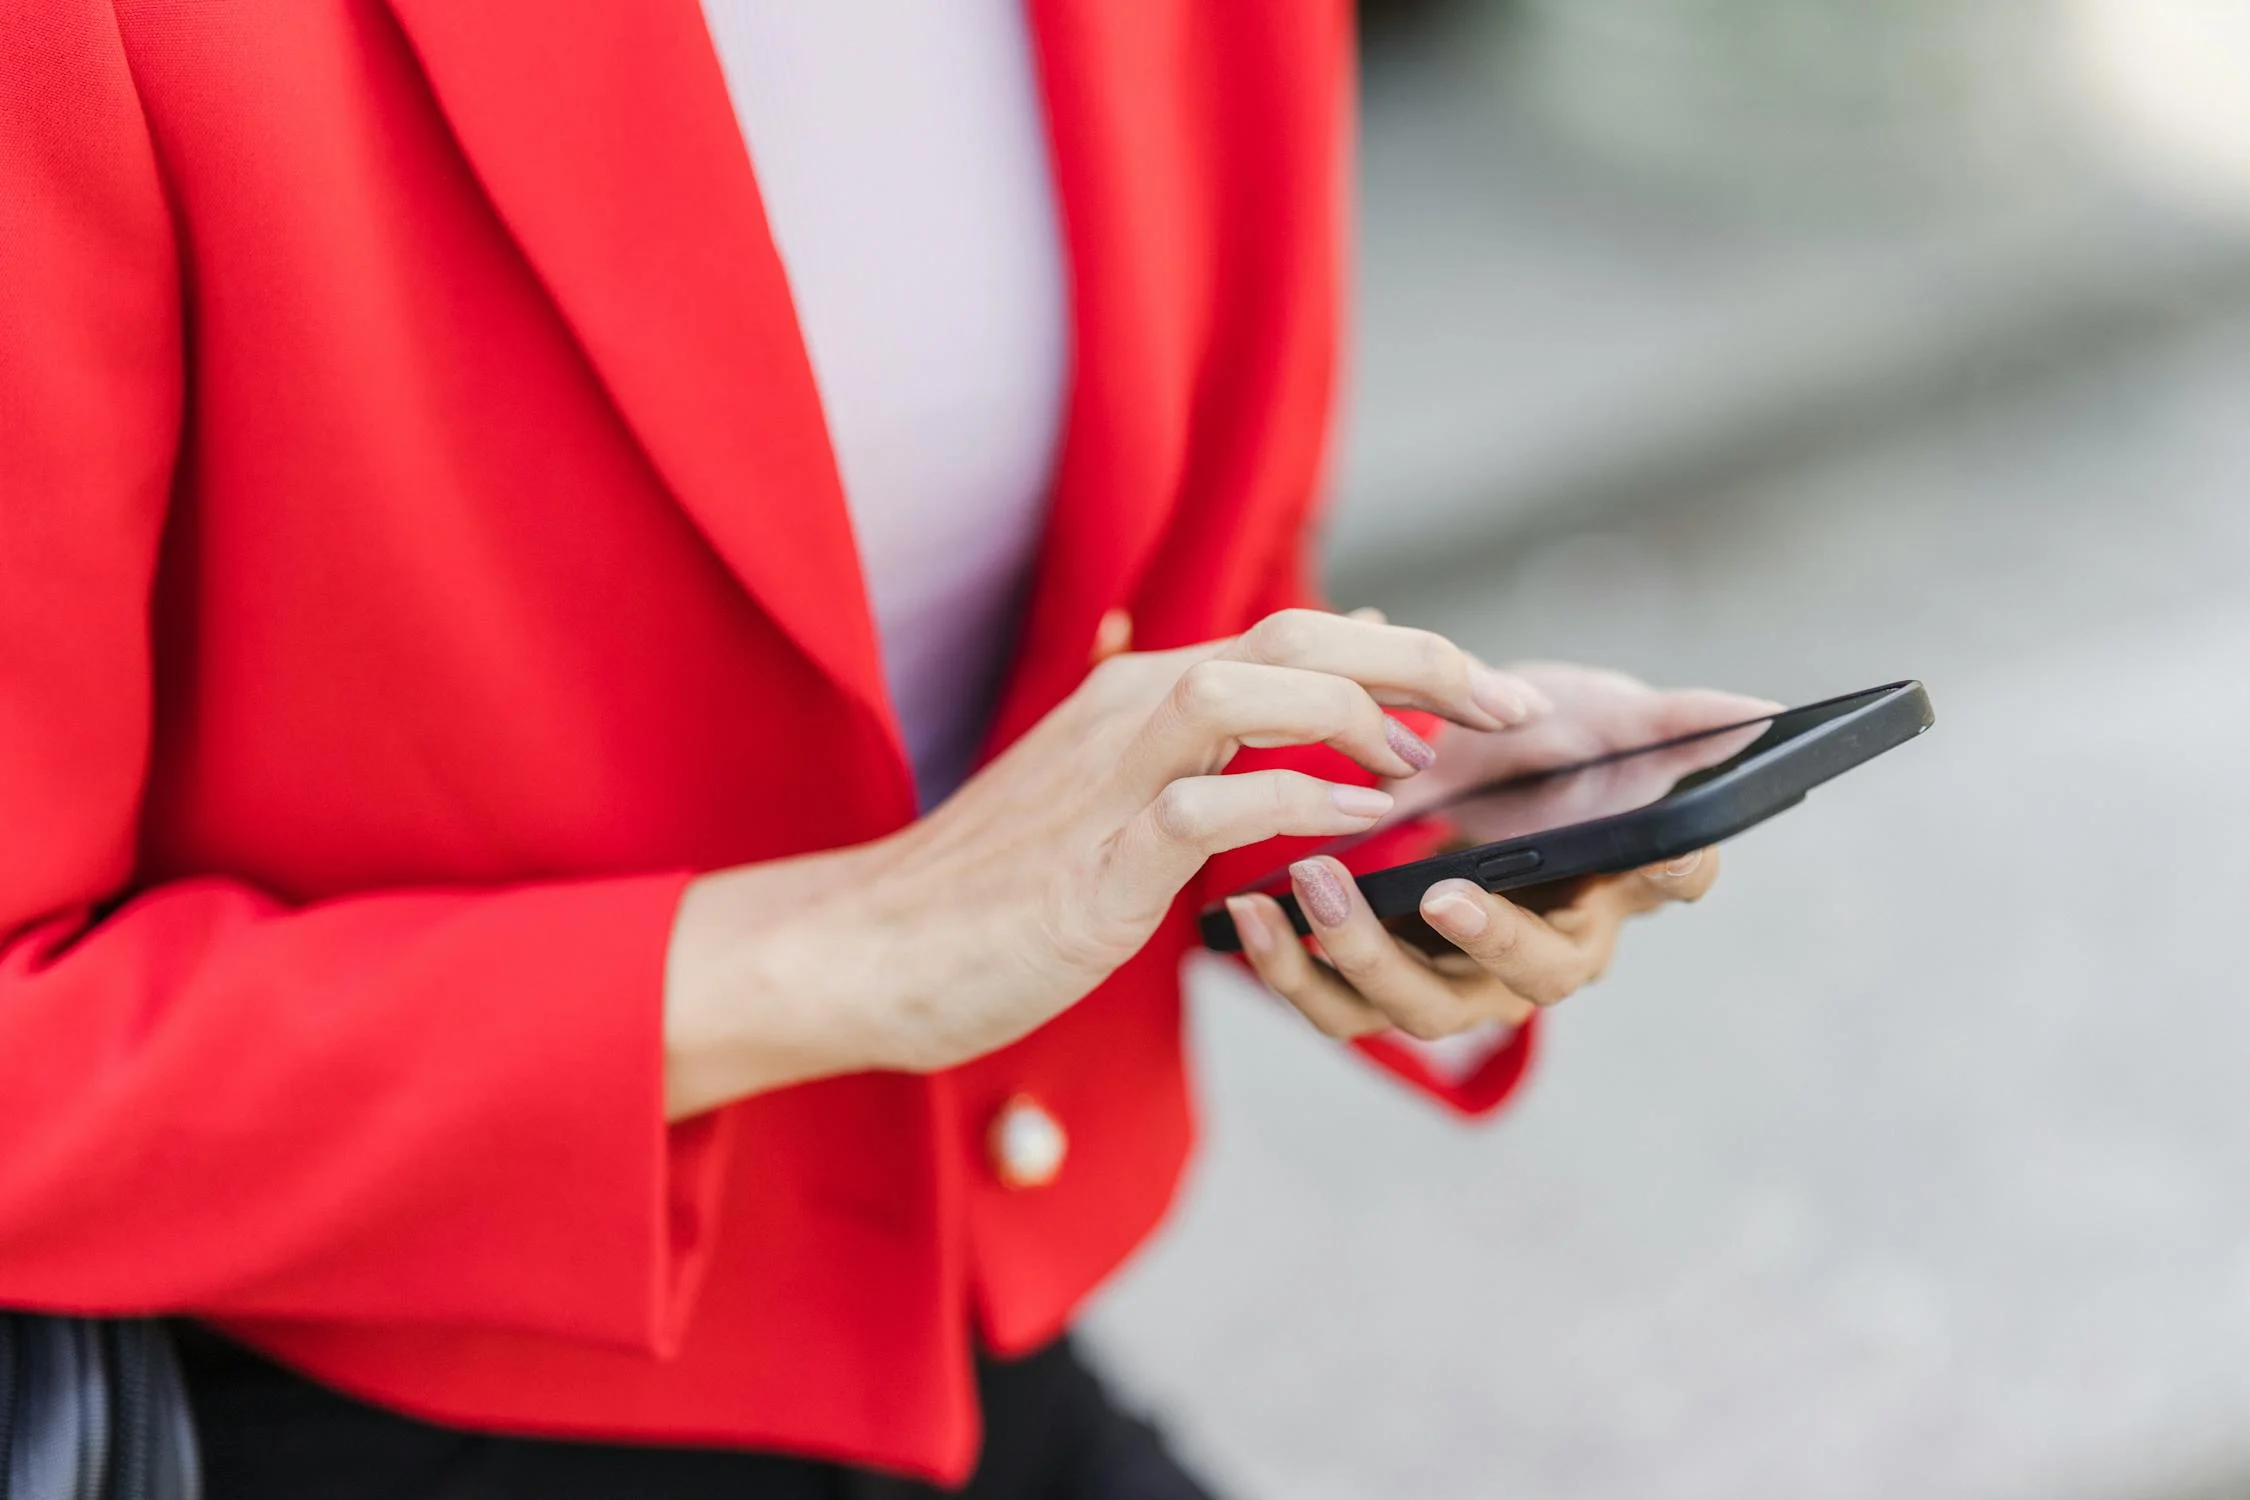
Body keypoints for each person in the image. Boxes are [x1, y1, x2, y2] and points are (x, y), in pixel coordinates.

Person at [0, 2, 1766, 1495]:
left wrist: (1358, 805)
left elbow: (1135, 622)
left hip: (939, 1318)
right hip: (302, 1376)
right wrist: (852, 947)